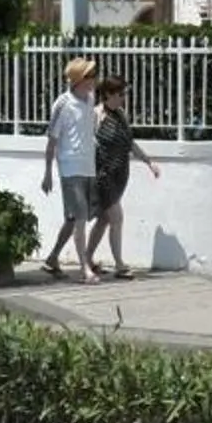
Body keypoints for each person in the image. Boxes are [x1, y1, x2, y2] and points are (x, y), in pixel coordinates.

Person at [86, 73, 161, 279]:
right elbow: (86, 144)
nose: (123, 97)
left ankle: (87, 258)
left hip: (119, 174)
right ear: (108, 94)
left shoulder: (121, 114)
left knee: (103, 220)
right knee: (117, 218)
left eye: (124, 93)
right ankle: (120, 265)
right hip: (103, 174)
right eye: (120, 93)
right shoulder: (96, 115)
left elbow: (130, 144)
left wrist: (148, 162)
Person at [38, 56, 102, 282]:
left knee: (74, 218)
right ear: (78, 80)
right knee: (81, 217)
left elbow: (89, 131)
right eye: (90, 76)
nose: (94, 80)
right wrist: (48, 172)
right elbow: (52, 140)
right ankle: (85, 268)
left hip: (88, 166)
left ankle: (53, 258)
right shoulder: (63, 104)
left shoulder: (90, 100)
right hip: (70, 167)